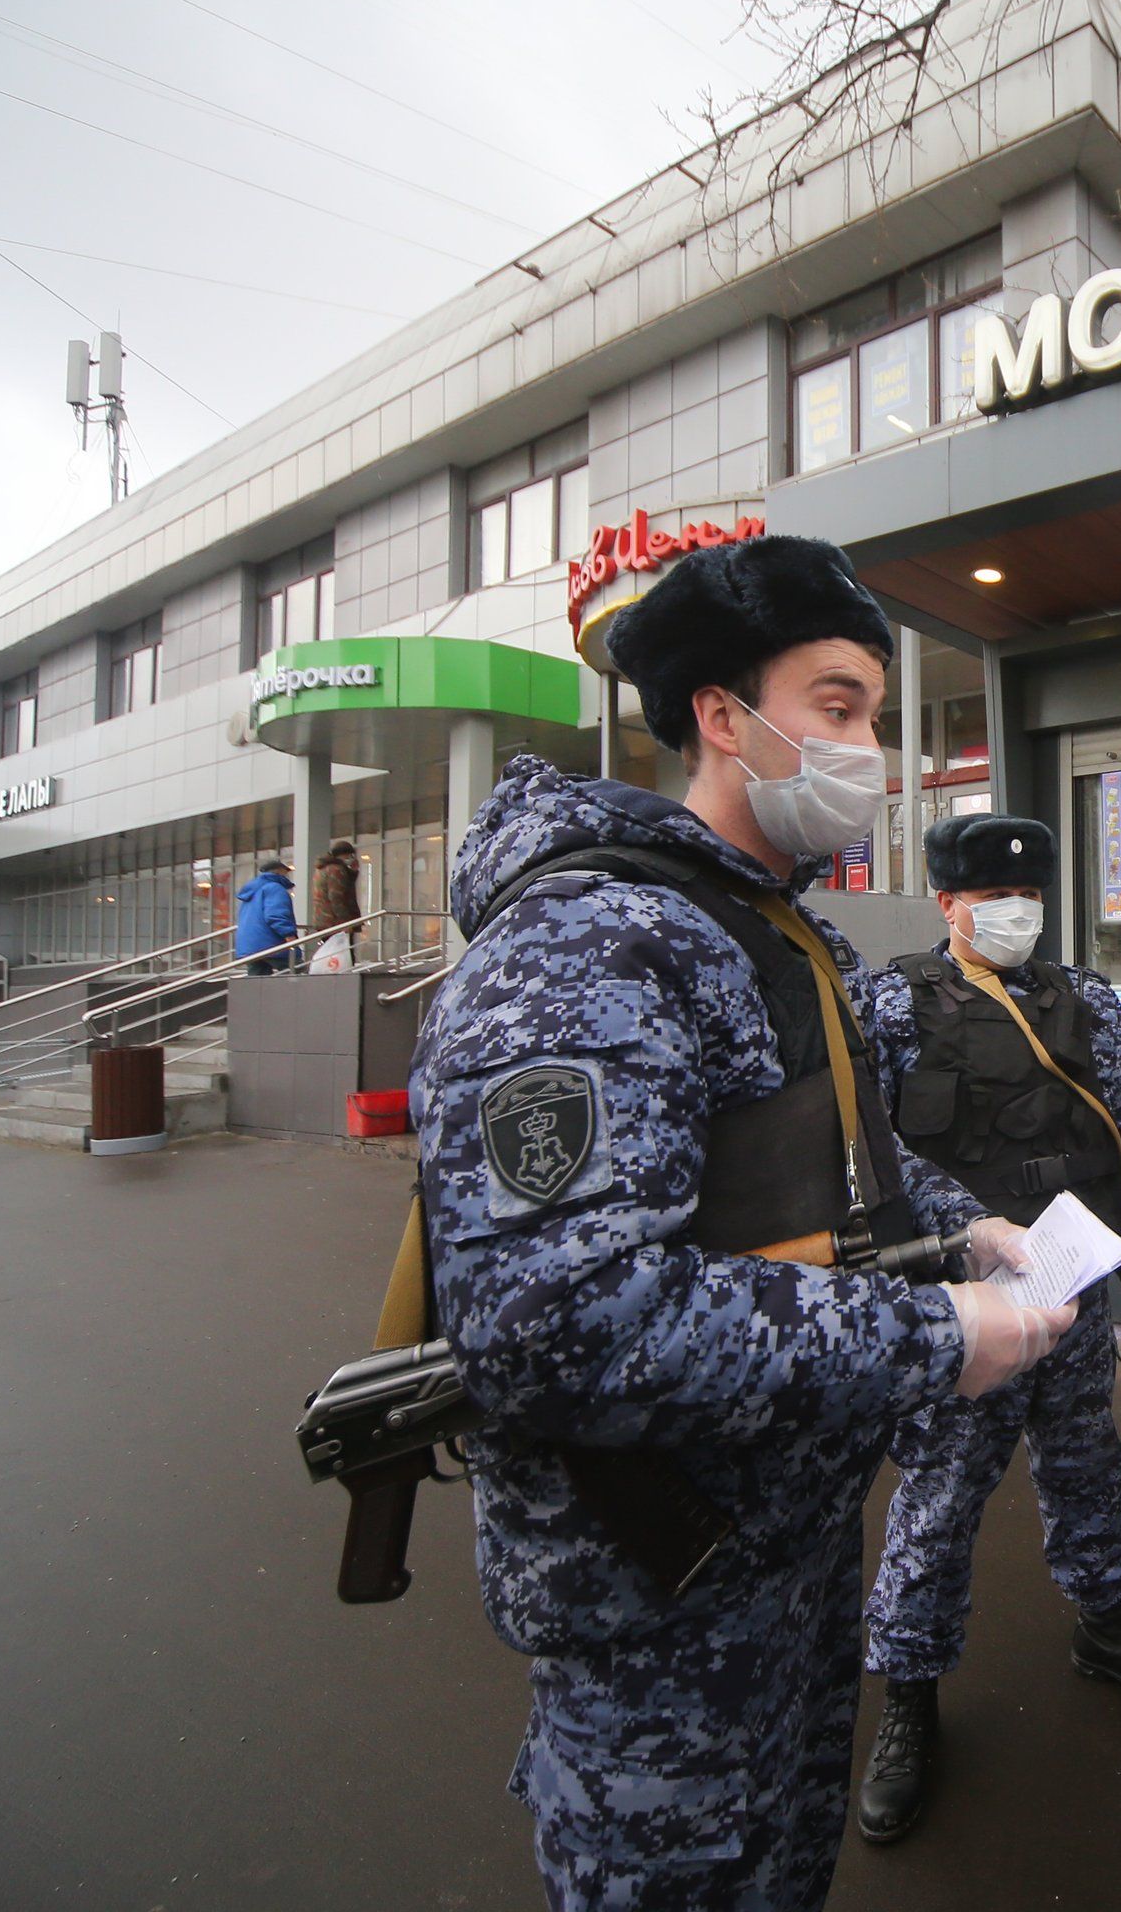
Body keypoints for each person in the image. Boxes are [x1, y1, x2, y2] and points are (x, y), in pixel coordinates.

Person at [409, 533, 1078, 1912]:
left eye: (875, 716)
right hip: (658, 1594)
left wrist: (969, 1232)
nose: (871, 747)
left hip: (788, 1547)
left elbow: (830, 1166)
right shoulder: (594, 942)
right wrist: (936, 1336)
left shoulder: (769, 933)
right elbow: (558, 1322)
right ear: (723, 716)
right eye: (837, 707)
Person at [851, 813, 1121, 1844]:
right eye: (993, 895)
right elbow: (864, 1145)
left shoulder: (1080, 995)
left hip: (1074, 1270)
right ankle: (908, 1692)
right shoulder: (892, 1002)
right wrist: (968, 1226)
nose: (1016, 911)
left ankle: (1107, 1618)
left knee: (1086, 1454)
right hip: (961, 1293)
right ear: (947, 902)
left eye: (1031, 896)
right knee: (943, 1487)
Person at [233, 855, 298, 972]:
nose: (287, 875)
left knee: (258, 983)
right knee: (297, 971)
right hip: (271, 943)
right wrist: (289, 935)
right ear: (279, 871)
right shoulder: (275, 888)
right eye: (285, 872)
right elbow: (275, 915)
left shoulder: (253, 890)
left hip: (251, 945)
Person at [310, 835, 362, 935]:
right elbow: (337, 896)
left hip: (324, 920)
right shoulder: (336, 870)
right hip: (334, 922)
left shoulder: (322, 868)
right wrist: (346, 922)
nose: (350, 858)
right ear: (343, 855)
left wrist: (352, 872)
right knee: (342, 949)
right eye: (349, 855)